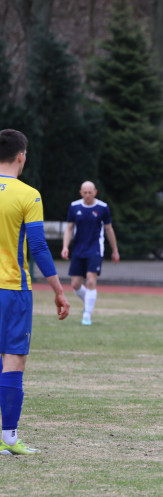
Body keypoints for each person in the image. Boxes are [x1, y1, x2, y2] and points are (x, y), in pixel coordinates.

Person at [0, 129, 71, 455]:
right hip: (13, 289)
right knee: (13, 359)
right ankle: (9, 437)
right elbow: (39, 247)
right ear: (21, 156)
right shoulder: (28, 195)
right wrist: (58, 290)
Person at [61, 180, 119, 325]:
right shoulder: (74, 206)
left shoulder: (103, 208)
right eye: (85, 192)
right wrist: (65, 246)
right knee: (75, 284)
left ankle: (87, 315)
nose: (87, 195)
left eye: (90, 192)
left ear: (95, 192)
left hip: (95, 249)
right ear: (81, 193)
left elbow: (109, 229)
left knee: (91, 280)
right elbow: (69, 228)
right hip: (78, 249)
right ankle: (89, 300)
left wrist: (115, 250)